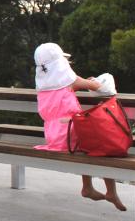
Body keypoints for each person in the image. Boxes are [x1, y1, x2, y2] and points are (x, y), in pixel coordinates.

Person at [33, 42, 125, 211]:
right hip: (69, 137)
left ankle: (88, 187)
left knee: (86, 139)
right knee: (102, 145)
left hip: (54, 137)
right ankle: (111, 191)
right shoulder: (71, 81)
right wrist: (93, 81)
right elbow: (99, 87)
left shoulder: (42, 86)